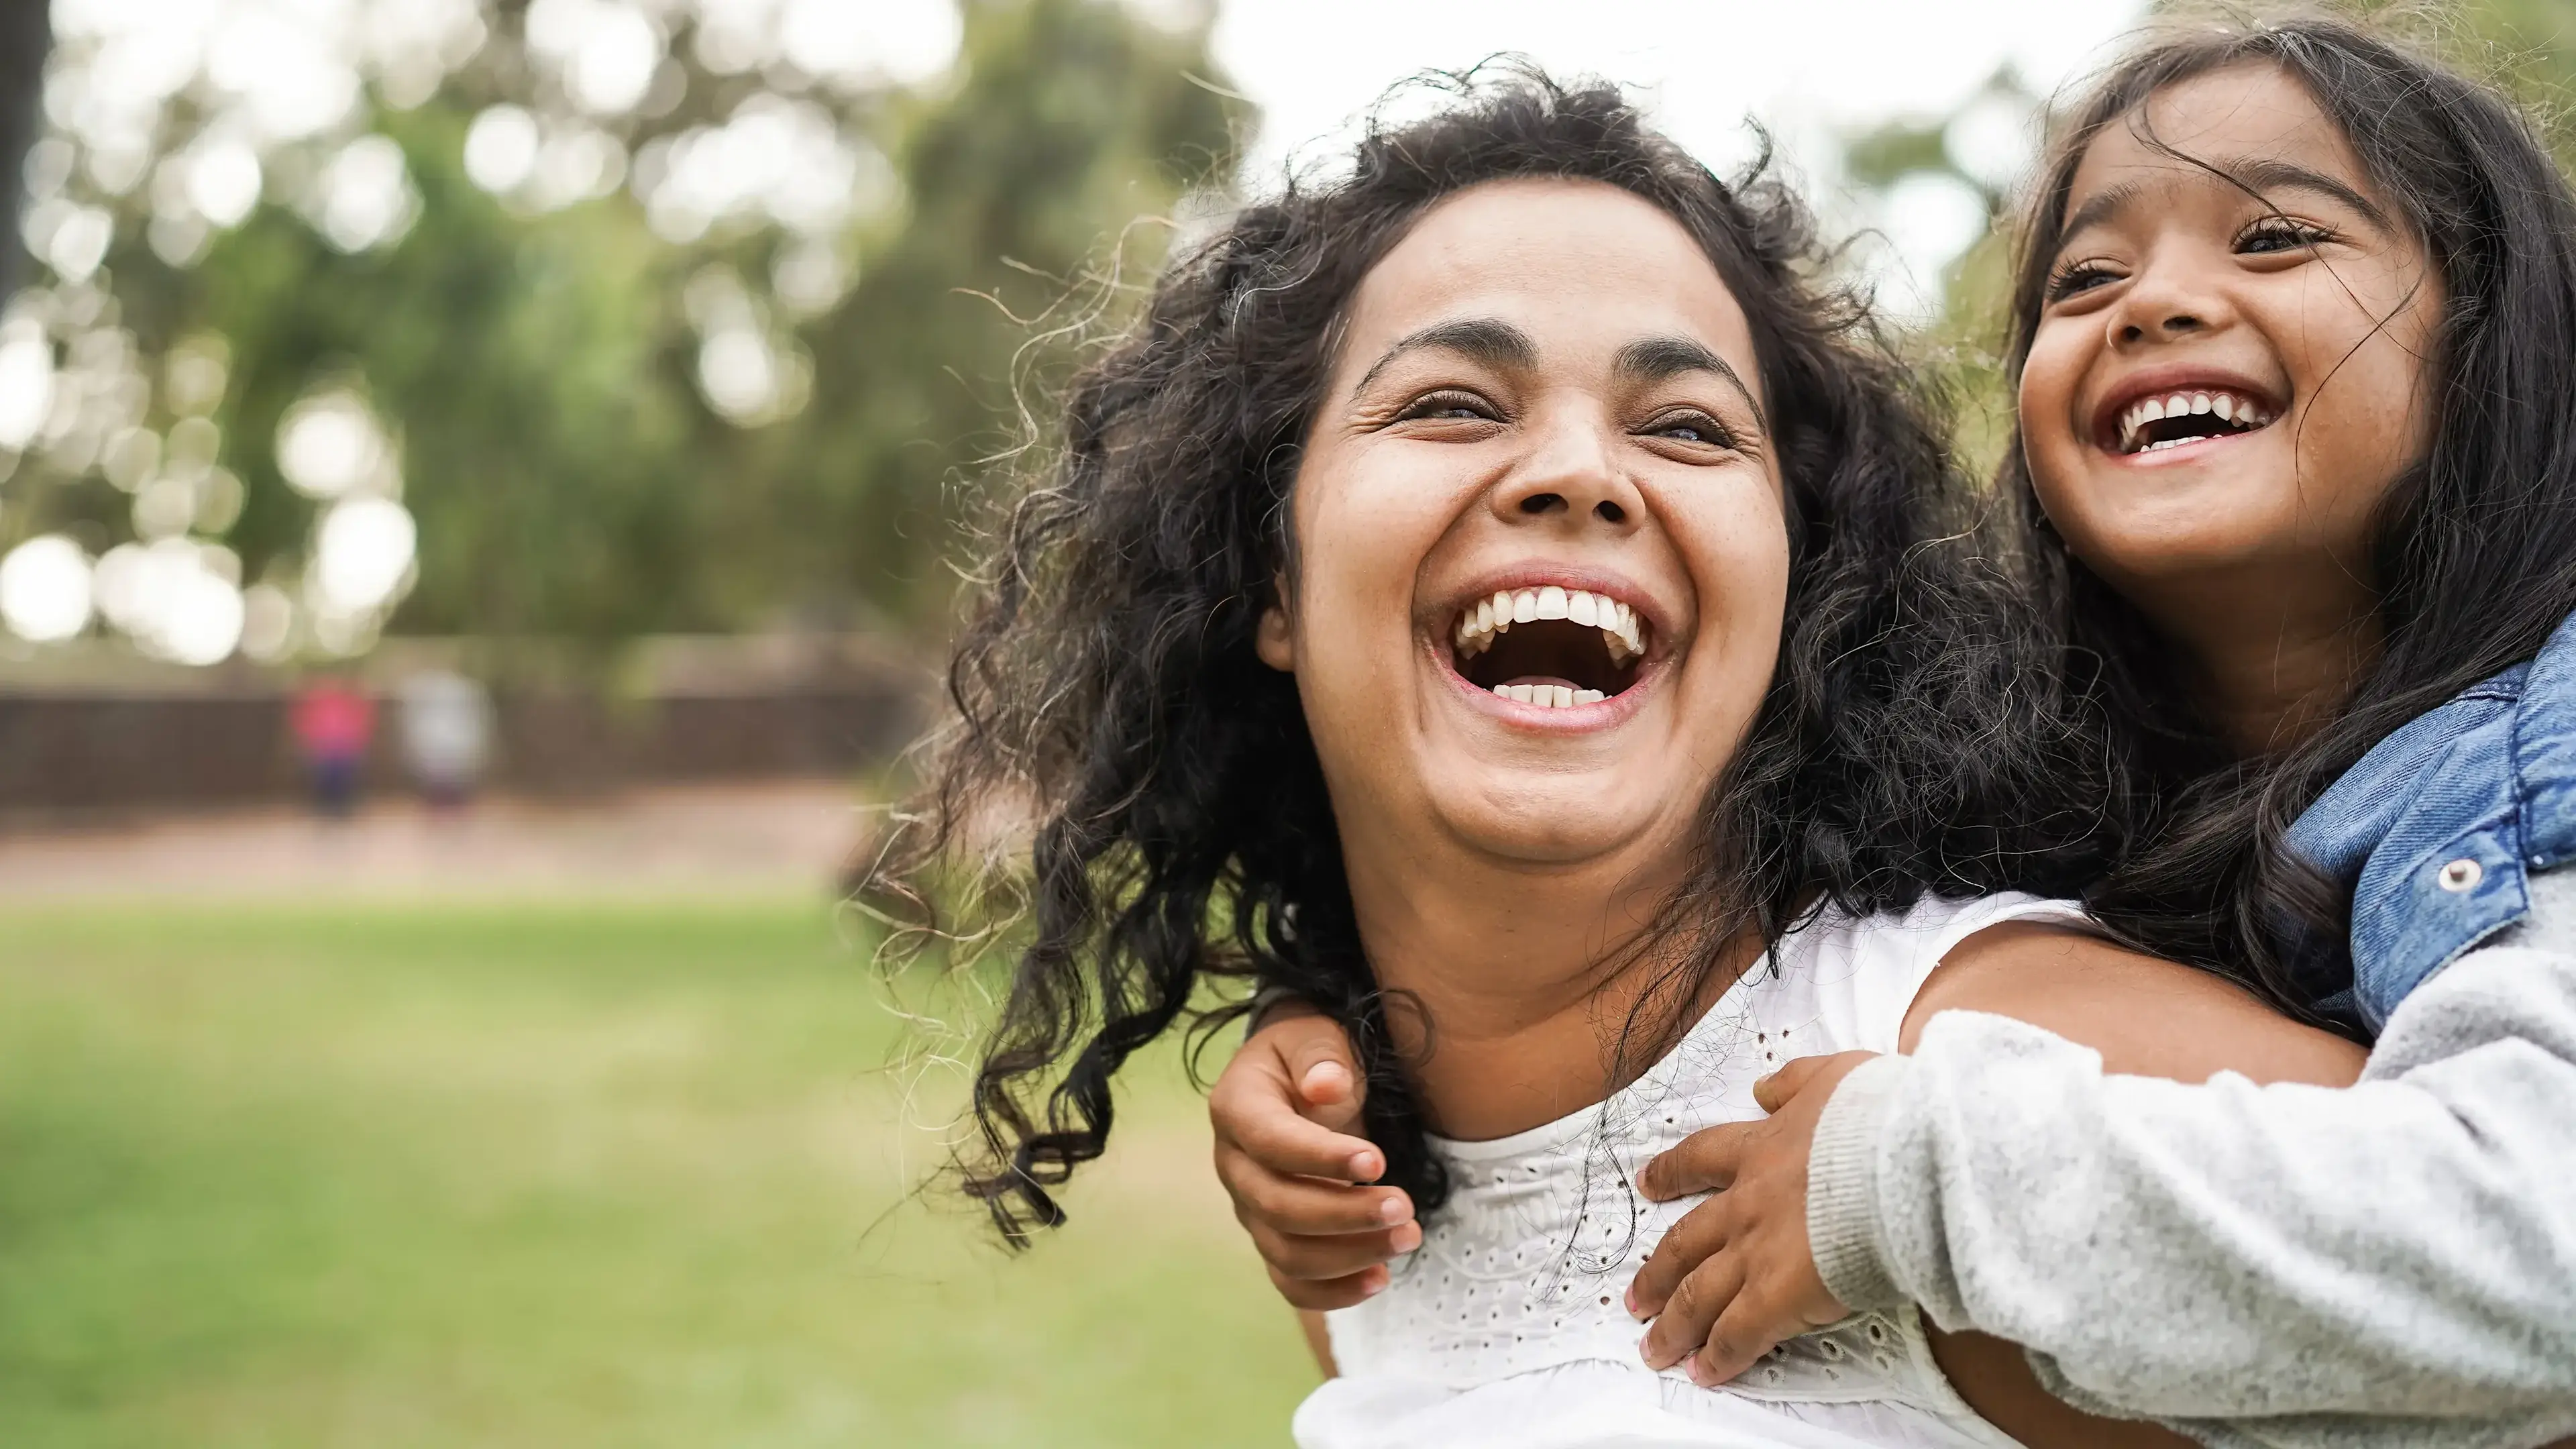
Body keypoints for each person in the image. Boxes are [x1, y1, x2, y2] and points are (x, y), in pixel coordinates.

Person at [873, 68, 2364, 1449]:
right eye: (1453, 402)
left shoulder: (1971, 1069)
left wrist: (1932, 1198)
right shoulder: (1355, 1193)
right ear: (1272, 577)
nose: (1582, 472)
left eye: (1687, 427)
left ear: (1799, 588)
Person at [1214, 17, 2576, 1448]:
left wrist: (1907, 1184)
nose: (2154, 303)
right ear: (1267, 571)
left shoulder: (2525, 770)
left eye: (2279, 238)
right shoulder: (1364, 1169)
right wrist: (1318, 1009)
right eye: (2086, 275)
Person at [397, 668, 494, 810]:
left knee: (456, 780)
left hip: (453, 746)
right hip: (438, 746)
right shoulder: (427, 696)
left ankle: (453, 808)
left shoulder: (463, 695)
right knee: (437, 781)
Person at [289, 673, 375, 819]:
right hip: (323, 749)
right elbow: (305, 724)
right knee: (323, 781)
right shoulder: (315, 703)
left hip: (346, 748)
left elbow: (361, 724)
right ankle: (325, 811)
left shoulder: (350, 702)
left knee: (346, 782)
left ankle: (343, 811)